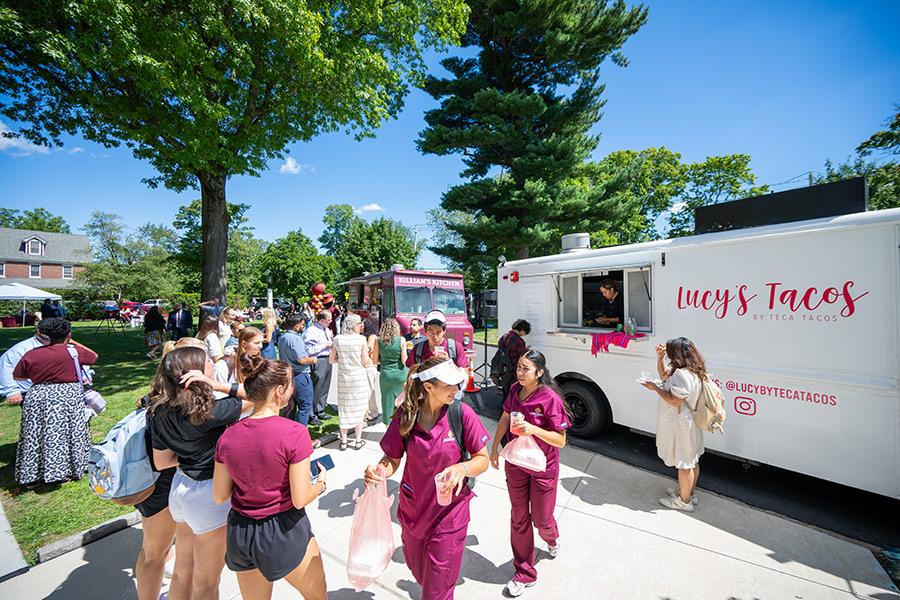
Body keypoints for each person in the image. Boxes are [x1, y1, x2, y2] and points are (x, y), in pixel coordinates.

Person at [363, 357, 490, 600]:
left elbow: (482, 459)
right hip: (414, 512)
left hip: (450, 515)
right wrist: (379, 472)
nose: (456, 389)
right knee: (420, 573)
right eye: (449, 385)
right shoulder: (407, 415)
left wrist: (462, 468)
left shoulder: (461, 414)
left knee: (436, 590)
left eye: (457, 384)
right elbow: (391, 459)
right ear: (429, 387)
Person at [213, 358, 328, 600]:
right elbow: (299, 499)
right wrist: (320, 484)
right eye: (291, 384)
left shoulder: (228, 436)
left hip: (240, 531)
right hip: (283, 528)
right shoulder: (295, 433)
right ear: (278, 391)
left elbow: (220, 495)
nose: (293, 388)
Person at [147, 345, 252, 600]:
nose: (212, 367)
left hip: (180, 489)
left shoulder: (157, 409)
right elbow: (262, 394)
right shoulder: (210, 411)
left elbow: (163, 461)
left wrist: (189, 456)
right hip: (209, 495)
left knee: (182, 571)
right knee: (207, 582)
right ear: (194, 372)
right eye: (207, 364)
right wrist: (217, 385)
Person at [133, 339, 209, 600]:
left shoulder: (157, 398)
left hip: (150, 483)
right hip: (163, 486)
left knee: (151, 551)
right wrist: (199, 454)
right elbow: (163, 461)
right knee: (158, 555)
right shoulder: (171, 409)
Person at [490, 349, 570, 597]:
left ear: (539, 372)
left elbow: (561, 440)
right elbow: (505, 417)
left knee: (541, 520)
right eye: (518, 367)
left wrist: (533, 429)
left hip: (542, 467)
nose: (520, 372)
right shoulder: (515, 389)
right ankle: (524, 572)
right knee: (519, 516)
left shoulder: (550, 398)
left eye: (526, 368)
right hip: (516, 463)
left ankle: (551, 537)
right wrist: (494, 447)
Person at [13, 318, 98, 485]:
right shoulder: (73, 351)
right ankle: (71, 467)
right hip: (68, 395)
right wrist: (71, 341)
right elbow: (94, 356)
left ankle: (35, 472)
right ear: (68, 334)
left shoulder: (32, 354)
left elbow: (18, 376)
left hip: (38, 395)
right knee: (71, 430)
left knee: (37, 433)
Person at [641, 337, 706, 512]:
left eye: (669, 353)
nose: (668, 356)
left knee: (684, 463)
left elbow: (675, 401)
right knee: (692, 460)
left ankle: (684, 502)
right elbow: (664, 376)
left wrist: (655, 388)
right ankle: (688, 493)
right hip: (691, 421)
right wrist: (660, 358)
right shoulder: (694, 369)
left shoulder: (681, 375)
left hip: (682, 423)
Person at [329, 313, 370, 450]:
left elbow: (331, 359)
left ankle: (344, 441)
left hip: (343, 379)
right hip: (358, 378)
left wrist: (342, 360)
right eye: (359, 324)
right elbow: (365, 361)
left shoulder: (337, 339)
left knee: (344, 408)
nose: (361, 326)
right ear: (354, 325)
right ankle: (358, 441)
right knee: (359, 408)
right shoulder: (361, 339)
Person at [278, 314, 317, 426]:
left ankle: (289, 430)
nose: (303, 327)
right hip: (300, 375)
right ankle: (301, 431)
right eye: (302, 325)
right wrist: (313, 359)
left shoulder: (283, 337)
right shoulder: (296, 339)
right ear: (296, 326)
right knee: (304, 405)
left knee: (290, 406)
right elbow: (302, 360)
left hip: (288, 375)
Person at [0, 324, 49, 405]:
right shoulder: (21, 349)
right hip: (31, 393)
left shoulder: (63, 346)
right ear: (38, 331)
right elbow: (6, 367)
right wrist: (12, 391)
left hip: (58, 391)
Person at [377, 317, 408, 425]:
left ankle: (388, 427)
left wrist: (385, 360)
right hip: (400, 374)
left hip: (386, 374)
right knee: (402, 401)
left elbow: (375, 360)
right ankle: (401, 425)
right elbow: (404, 360)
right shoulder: (402, 340)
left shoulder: (379, 340)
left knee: (387, 402)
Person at [305, 311, 334, 425]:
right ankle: (311, 414)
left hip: (327, 358)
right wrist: (324, 345)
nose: (331, 321)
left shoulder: (326, 329)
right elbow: (309, 349)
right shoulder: (312, 331)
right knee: (316, 387)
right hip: (318, 359)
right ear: (321, 320)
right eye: (329, 319)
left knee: (325, 386)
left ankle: (320, 410)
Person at [495, 320, 531, 400]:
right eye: (525, 333)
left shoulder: (504, 336)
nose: (524, 335)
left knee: (506, 391)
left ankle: (505, 406)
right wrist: (526, 350)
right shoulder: (519, 341)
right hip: (512, 370)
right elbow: (521, 356)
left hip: (502, 368)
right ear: (522, 329)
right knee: (513, 391)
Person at [363, 318, 381, 423]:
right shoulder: (363, 337)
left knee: (369, 390)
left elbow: (369, 349)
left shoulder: (372, 337)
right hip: (365, 366)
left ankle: (372, 412)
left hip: (370, 366)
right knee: (367, 390)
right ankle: (369, 411)